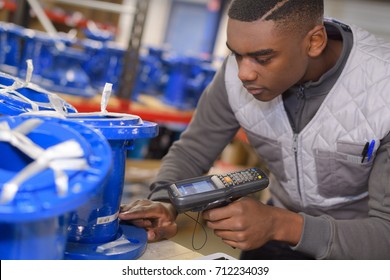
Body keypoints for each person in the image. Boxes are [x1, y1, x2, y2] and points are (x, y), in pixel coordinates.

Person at [119, 0, 390, 259]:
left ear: (314, 42)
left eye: (263, 58)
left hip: (358, 244)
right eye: (236, 54)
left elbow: (385, 233)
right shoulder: (235, 75)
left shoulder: (383, 88)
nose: (243, 74)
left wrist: (278, 224)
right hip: (278, 234)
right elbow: (193, 150)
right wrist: (166, 201)